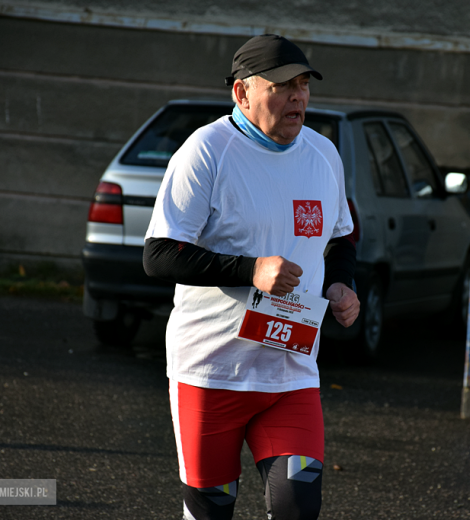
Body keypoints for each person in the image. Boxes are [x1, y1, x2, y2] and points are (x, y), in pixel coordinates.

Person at [143, 34, 360, 520]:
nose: (298, 97)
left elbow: (342, 235)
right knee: (211, 510)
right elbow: (158, 255)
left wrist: (340, 284)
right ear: (242, 93)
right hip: (212, 372)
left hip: (290, 370)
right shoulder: (206, 151)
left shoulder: (323, 153)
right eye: (282, 86)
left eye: (303, 85)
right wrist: (250, 270)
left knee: (298, 507)